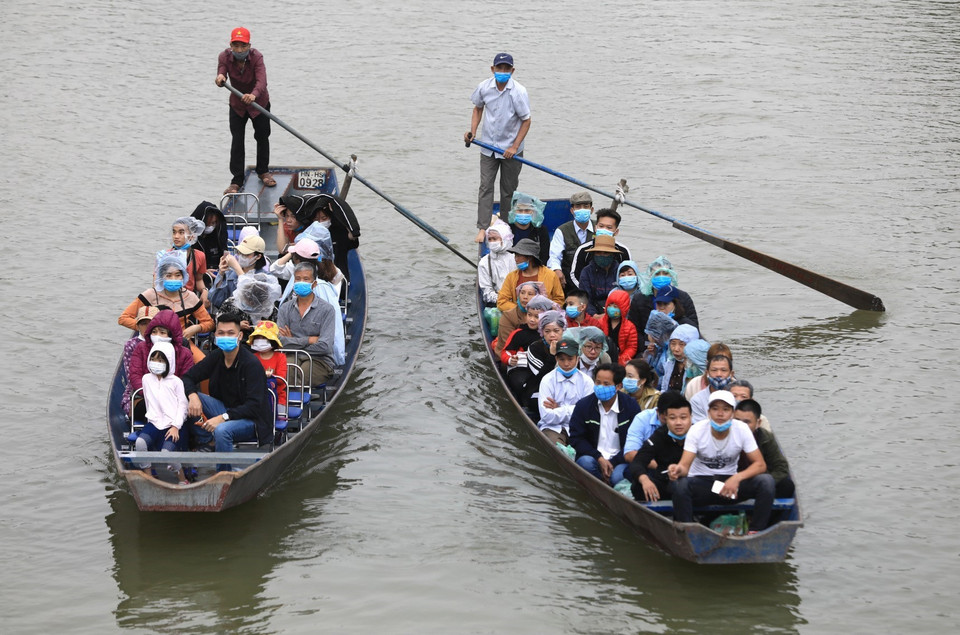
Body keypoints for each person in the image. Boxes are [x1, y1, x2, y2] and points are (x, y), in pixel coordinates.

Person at [667, 390, 775, 532]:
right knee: (680, 485)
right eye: (715, 409)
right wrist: (676, 469)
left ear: (732, 413)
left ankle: (755, 531)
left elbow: (760, 465)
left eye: (725, 409)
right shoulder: (697, 430)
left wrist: (737, 478)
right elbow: (685, 466)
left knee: (766, 481)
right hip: (705, 486)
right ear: (708, 412)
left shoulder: (742, 429)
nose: (720, 414)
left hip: (730, 487)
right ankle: (688, 532)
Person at [184, 313, 274, 471]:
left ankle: (224, 472)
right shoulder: (217, 356)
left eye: (230, 333)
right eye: (221, 333)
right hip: (225, 409)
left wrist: (223, 418)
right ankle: (207, 441)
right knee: (189, 397)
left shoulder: (251, 364)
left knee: (222, 430)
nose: (226, 337)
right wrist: (192, 396)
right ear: (215, 335)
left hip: (252, 419)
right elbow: (188, 377)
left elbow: (254, 406)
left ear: (240, 336)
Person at [465, 52, 531, 243]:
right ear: (493, 69)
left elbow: (526, 121)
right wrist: (472, 132)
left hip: (511, 150)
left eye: (506, 69)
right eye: (499, 68)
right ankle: (483, 227)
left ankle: (505, 226)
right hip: (488, 147)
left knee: (507, 190)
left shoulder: (518, 92)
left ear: (512, 71)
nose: (502, 72)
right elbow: (478, 108)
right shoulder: (484, 87)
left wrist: (514, 146)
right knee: (485, 187)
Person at [215, 27, 275, 194]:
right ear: (231, 45)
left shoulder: (257, 58)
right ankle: (236, 180)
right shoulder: (224, 56)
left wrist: (253, 95)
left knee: (262, 136)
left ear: (249, 46)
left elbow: (262, 81)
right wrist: (220, 78)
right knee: (237, 140)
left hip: (259, 104)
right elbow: (221, 71)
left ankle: (263, 172)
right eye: (236, 46)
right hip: (238, 105)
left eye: (243, 46)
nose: (239, 50)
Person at [568, 363, 642, 486]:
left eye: (606, 384)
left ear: (618, 386)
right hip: (593, 457)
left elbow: (636, 440)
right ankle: (600, 485)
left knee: (618, 478)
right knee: (585, 463)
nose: (600, 387)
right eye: (598, 383)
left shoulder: (630, 406)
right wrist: (599, 458)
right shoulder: (583, 406)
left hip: (620, 459)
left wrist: (613, 462)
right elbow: (577, 438)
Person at [118, 253, 214, 343]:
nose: (173, 279)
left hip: (181, 342)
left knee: (202, 360)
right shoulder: (150, 295)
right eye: (168, 275)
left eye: (177, 275)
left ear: (183, 276)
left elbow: (209, 323)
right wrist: (149, 329)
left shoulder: (190, 297)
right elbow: (123, 318)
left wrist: (197, 328)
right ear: (161, 277)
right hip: (154, 342)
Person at [128, 309, 197, 423]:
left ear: (172, 335)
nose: (157, 336)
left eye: (162, 332)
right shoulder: (141, 348)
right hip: (147, 398)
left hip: (174, 398)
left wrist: (169, 394)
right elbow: (135, 375)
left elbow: (187, 378)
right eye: (154, 332)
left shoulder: (185, 354)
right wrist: (151, 393)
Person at [135, 341, 188, 484]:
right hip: (154, 423)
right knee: (140, 443)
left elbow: (183, 405)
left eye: (160, 360)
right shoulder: (146, 379)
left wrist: (176, 426)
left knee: (166, 454)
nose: (155, 363)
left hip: (172, 425)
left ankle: (182, 479)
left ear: (168, 361)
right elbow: (148, 402)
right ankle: (149, 476)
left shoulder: (176, 382)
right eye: (153, 359)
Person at [277, 263, 338, 386]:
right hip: (291, 355)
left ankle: (296, 403)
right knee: (284, 372)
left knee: (303, 374)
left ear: (314, 284)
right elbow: (279, 342)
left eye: (306, 279)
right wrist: (309, 340)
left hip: (320, 360)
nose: (301, 282)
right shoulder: (285, 308)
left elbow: (325, 346)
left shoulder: (327, 310)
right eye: (298, 279)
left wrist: (292, 341)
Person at [625, 392, 693, 502]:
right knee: (637, 485)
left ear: (691, 418)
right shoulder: (659, 435)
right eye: (672, 418)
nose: (678, 423)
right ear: (666, 419)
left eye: (683, 418)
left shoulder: (698, 434)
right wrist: (644, 479)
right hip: (665, 481)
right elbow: (637, 462)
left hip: (693, 482)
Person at [537, 336, 594, 445]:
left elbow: (588, 414)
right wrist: (576, 409)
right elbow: (546, 416)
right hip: (552, 429)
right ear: (556, 359)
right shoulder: (547, 380)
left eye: (570, 359)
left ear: (578, 358)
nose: (566, 364)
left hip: (579, 430)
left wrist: (559, 408)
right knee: (557, 449)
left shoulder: (587, 381)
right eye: (562, 359)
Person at [734, 399, 794, 498]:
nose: (741, 427)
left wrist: (765, 484)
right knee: (712, 487)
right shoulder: (724, 436)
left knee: (786, 486)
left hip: (757, 483)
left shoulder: (766, 438)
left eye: (747, 422)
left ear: (758, 423)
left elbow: (781, 468)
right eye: (737, 421)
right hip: (730, 483)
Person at [627, 256, 699, 335]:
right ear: (650, 276)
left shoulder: (683, 297)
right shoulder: (639, 299)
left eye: (665, 273)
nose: (661, 276)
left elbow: (694, 329)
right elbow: (634, 329)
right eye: (657, 273)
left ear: (671, 275)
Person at [499, 296, 550, 399]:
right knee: (521, 384)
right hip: (520, 368)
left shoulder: (548, 334)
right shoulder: (519, 333)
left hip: (540, 367)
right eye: (529, 315)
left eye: (536, 317)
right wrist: (510, 359)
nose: (531, 319)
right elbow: (506, 352)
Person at [301, 193, 361, 280]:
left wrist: (337, 213)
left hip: (338, 279)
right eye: (317, 219)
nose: (320, 222)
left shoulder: (339, 233)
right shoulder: (309, 236)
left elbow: (353, 235)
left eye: (324, 218)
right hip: (318, 278)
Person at [569, 208, 631, 288]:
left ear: (616, 232)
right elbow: (575, 275)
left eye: (609, 227)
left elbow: (628, 275)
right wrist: (585, 289)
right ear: (596, 228)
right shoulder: (583, 250)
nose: (604, 230)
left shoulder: (623, 251)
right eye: (601, 226)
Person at [496, 238, 564, 312]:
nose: (516, 259)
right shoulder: (511, 277)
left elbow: (559, 299)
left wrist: (544, 311)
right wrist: (521, 310)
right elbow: (501, 301)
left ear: (530, 257)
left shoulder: (550, 275)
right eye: (515, 255)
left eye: (518, 256)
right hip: (519, 320)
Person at [547, 191, 595, 291]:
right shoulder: (562, 230)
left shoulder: (599, 228)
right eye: (578, 207)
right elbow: (554, 256)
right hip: (569, 281)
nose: (582, 209)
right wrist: (557, 270)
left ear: (591, 209)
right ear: (572, 210)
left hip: (594, 279)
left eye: (586, 206)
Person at [521, 309, 566, 411]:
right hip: (538, 388)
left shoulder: (568, 346)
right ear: (542, 332)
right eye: (547, 331)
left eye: (556, 331)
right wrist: (552, 355)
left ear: (563, 331)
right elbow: (543, 376)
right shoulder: (534, 348)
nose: (552, 335)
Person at [209, 235, 268, 312]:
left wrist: (237, 268)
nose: (240, 256)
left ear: (258, 256)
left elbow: (253, 302)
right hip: (230, 317)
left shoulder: (265, 277)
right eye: (239, 253)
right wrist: (221, 273)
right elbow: (215, 299)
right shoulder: (231, 273)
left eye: (246, 254)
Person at [216, 272, 282, 341]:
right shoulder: (231, 304)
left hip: (263, 343)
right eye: (249, 300)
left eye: (255, 303)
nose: (252, 303)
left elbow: (277, 330)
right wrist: (237, 326)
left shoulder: (269, 309)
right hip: (237, 342)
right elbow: (219, 323)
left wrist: (266, 326)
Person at [157, 216, 208, 301]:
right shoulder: (165, 256)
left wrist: (204, 291)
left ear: (191, 236)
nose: (176, 236)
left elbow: (199, 280)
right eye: (174, 232)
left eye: (181, 233)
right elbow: (157, 283)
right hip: (169, 298)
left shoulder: (199, 256)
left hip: (189, 298)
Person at [120, 306, 160, 415]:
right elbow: (132, 377)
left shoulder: (167, 343)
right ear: (137, 326)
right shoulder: (131, 345)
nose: (147, 327)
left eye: (150, 323)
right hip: (138, 393)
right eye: (143, 324)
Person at [494, 281, 545, 356]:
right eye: (522, 293)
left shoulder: (544, 314)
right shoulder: (508, 316)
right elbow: (508, 346)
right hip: (510, 355)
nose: (525, 297)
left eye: (530, 294)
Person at [577, 234, 624, 315]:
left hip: (617, 312)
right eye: (598, 253)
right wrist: (594, 315)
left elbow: (625, 297)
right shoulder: (587, 272)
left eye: (606, 253)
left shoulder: (621, 271)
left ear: (612, 254)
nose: (601, 256)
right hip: (593, 313)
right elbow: (585, 298)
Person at [248, 320, 287, 415]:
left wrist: (268, 376)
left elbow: (281, 379)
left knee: (279, 417)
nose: (259, 340)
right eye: (257, 338)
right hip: (255, 397)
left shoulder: (280, 357)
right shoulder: (252, 357)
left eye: (264, 338)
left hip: (277, 396)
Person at [478, 219, 517, 307]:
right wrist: (503, 300)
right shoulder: (484, 262)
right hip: (497, 302)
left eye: (495, 239)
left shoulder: (515, 258)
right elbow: (487, 292)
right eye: (490, 239)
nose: (492, 242)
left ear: (504, 239)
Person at [504, 192, 550, 265]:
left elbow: (544, 255)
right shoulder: (506, 230)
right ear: (514, 211)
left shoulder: (540, 231)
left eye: (527, 210)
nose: (523, 213)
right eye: (519, 210)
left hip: (534, 267)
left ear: (533, 211)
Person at [690, 354, 736, 422]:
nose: (718, 374)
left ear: (731, 374)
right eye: (714, 370)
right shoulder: (697, 400)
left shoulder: (738, 397)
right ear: (707, 373)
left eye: (723, 370)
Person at [655, 324, 700, 393]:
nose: (676, 349)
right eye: (673, 344)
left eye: (681, 344)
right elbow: (664, 388)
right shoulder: (669, 363)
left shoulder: (697, 368)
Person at [597, 289, 638, 365]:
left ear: (623, 308)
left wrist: (622, 359)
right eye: (609, 305)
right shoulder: (600, 323)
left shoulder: (630, 327)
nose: (611, 308)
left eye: (615, 306)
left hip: (620, 362)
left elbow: (632, 347)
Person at [191, 201, 228, 278]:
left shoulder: (217, 236)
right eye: (209, 223)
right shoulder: (190, 240)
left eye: (214, 223)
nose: (211, 226)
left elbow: (224, 253)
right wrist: (204, 271)